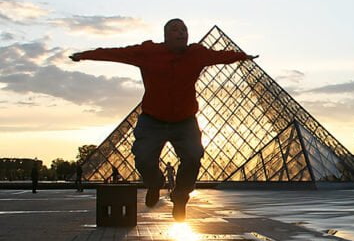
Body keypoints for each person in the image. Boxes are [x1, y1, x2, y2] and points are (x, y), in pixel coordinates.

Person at [70, 19, 257, 221]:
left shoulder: (197, 54)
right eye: (175, 29)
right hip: (152, 120)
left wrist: (242, 56)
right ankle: (154, 183)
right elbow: (116, 53)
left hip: (185, 121)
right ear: (165, 35)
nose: (181, 33)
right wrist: (85, 55)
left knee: (194, 156)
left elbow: (221, 56)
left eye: (184, 29)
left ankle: (180, 196)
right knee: (142, 158)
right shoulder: (148, 52)